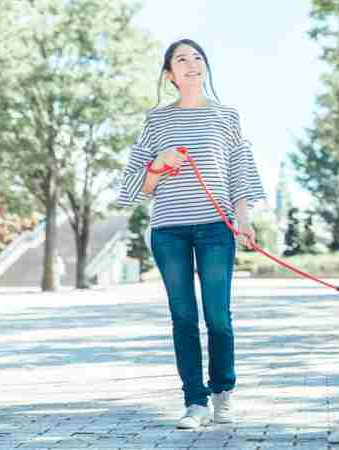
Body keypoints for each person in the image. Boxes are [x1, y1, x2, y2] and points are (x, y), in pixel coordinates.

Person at [118, 39, 266, 428]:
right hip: (169, 231)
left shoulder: (227, 116)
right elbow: (135, 186)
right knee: (183, 317)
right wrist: (158, 165)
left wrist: (244, 220)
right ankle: (195, 402)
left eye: (197, 58)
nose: (191, 64)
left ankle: (223, 394)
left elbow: (238, 174)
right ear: (170, 74)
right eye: (181, 59)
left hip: (217, 229)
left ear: (205, 68)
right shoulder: (156, 121)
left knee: (218, 316)